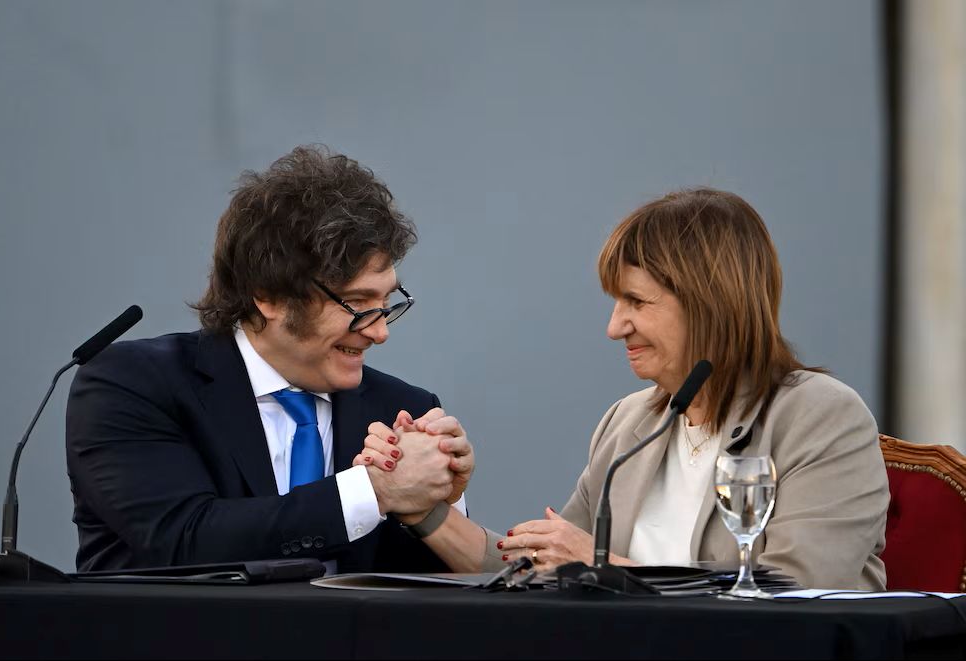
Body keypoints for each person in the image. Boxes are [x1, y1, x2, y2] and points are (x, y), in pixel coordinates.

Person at [359, 188, 890, 590]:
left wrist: (602, 566)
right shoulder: (631, 422)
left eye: (637, 302)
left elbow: (797, 592)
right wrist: (420, 507)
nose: (615, 327)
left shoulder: (821, 417)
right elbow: (540, 573)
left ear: (710, 301)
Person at [65, 145, 474, 574]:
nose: (380, 331)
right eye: (357, 303)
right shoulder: (131, 384)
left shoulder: (401, 410)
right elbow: (180, 541)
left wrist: (436, 494)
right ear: (269, 297)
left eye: (387, 302)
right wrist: (375, 491)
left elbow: (427, 592)